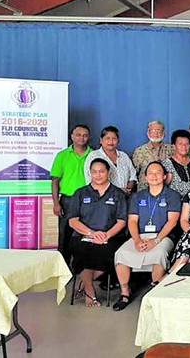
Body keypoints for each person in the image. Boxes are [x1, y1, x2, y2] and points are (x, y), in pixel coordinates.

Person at [112, 162, 181, 311]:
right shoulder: (138, 196)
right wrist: (136, 240)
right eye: (150, 173)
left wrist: (155, 241)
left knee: (159, 253)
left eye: (158, 173)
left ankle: (154, 293)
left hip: (163, 236)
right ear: (145, 177)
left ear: (164, 176)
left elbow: (172, 221)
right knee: (121, 253)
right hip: (140, 235)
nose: (154, 176)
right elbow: (132, 221)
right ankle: (125, 293)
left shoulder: (172, 195)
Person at [67, 158, 128, 307]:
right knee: (81, 253)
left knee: (107, 255)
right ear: (90, 173)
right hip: (83, 236)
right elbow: (72, 220)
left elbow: (122, 221)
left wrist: (106, 235)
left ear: (109, 172)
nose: (98, 175)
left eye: (101, 171)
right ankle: (90, 290)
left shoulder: (117, 194)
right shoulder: (80, 193)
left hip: (111, 237)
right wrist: (91, 233)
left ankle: (84, 283)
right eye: (94, 171)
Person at [50, 124, 92, 265]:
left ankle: (82, 267)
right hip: (67, 200)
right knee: (64, 234)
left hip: (89, 200)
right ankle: (63, 267)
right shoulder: (62, 156)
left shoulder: (94, 155)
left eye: (85, 135)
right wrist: (56, 203)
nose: (82, 138)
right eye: (78, 135)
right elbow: (55, 180)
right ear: (72, 136)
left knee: (86, 233)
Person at [84, 126, 137, 195]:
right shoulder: (93, 156)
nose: (111, 141)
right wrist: (116, 191)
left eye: (114, 139)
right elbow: (89, 179)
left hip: (125, 197)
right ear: (101, 140)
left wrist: (127, 189)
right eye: (107, 138)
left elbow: (133, 175)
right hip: (102, 198)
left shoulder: (123, 156)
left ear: (118, 140)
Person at [131, 120, 174, 190]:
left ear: (163, 133)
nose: (156, 134)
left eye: (158, 130)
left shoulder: (171, 149)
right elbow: (134, 173)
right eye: (153, 130)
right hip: (144, 191)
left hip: (166, 190)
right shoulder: (139, 151)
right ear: (148, 133)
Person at [161, 130, 190, 198]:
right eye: (180, 144)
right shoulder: (166, 164)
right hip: (174, 204)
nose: (184, 147)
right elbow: (161, 189)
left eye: (187, 144)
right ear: (174, 146)